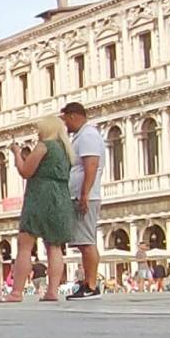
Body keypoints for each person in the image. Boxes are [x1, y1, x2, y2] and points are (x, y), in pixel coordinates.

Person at [3, 116, 74, 302]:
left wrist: (17, 153)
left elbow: (25, 171)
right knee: (55, 246)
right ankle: (52, 292)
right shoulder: (66, 150)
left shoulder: (44, 146)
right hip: (60, 196)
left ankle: (16, 292)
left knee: (25, 244)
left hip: (40, 195)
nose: (38, 133)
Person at [58, 102, 105, 299]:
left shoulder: (88, 136)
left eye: (66, 120)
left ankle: (92, 285)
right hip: (80, 194)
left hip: (86, 196)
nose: (65, 125)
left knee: (87, 241)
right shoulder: (82, 136)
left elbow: (91, 165)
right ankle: (87, 282)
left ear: (74, 116)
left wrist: (84, 194)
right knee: (83, 241)